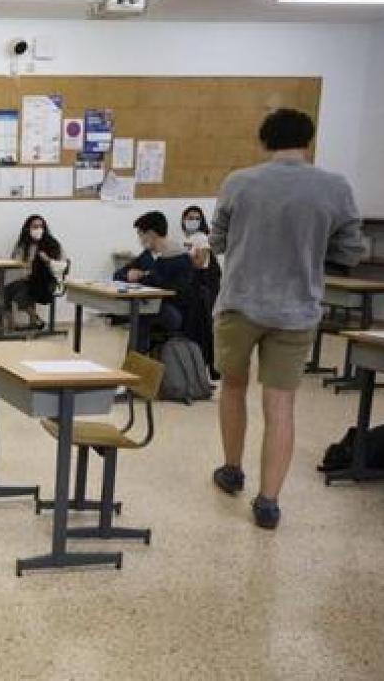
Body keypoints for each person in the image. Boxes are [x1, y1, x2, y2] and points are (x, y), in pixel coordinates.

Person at [209, 108, 364, 530]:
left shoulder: (239, 182)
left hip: (240, 302)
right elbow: (353, 250)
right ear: (308, 140)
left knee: (233, 389)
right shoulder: (334, 187)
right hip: (297, 310)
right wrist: (310, 252)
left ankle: (232, 469)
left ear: (265, 142)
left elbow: (218, 240)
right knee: (281, 405)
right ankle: (269, 500)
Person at [113, 211, 193, 352]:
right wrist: (129, 275)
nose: (140, 239)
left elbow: (177, 290)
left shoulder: (179, 257)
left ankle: (136, 363)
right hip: (149, 304)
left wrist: (143, 276)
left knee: (142, 316)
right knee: (140, 313)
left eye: (140, 234)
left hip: (174, 310)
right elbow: (118, 275)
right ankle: (136, 362)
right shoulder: (147, 256)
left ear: (150, 234)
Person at [1, 214, 66, 331]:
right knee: (3, 292)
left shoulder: (52, 244)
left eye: (41, 226)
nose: (38, 229)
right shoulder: (24, 244)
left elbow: (62, 265)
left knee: (21, 295)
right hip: (28, 279)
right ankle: (11, 325)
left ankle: (36, 320)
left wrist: (48, 260)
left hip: (46, 281)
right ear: (28, 229)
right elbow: (15, 260)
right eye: (35, 227)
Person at [181, 205, 222, 378]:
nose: (193, 221)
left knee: (204, 329)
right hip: (194, 287)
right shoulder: (187, 238)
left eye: (196, 218)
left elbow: (200, 263)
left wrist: (184, 258)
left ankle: (209, 367)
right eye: (189, 217)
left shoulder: (202, 239)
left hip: (203, 287)